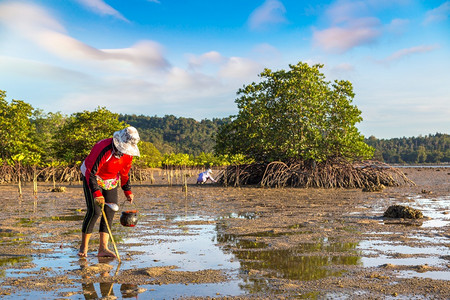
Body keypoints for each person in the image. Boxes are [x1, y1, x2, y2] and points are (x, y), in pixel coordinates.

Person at [78, 126, 140, 258]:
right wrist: (97, 193)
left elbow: (124, 172)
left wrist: (127, 190)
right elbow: (91, 172)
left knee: (111, 210)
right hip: (93, 177)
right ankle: (84, 247)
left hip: (110, 180)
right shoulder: (103, 148)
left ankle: (103, 248)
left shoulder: (128, 155)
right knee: (95, 211)